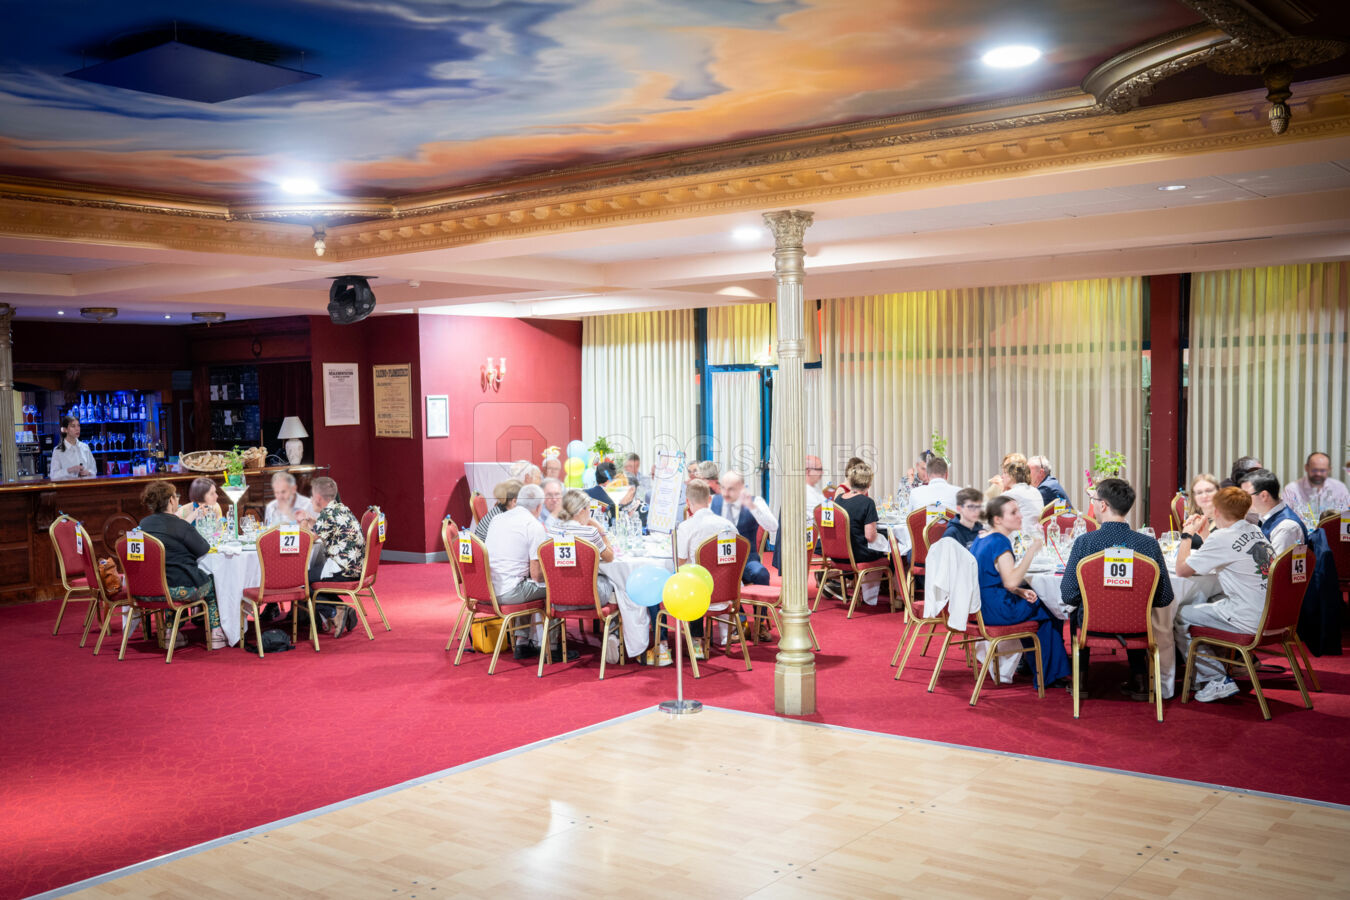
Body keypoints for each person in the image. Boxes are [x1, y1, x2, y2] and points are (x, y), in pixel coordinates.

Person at [1058, 478, 1173, 700]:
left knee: (1077, 609)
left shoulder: (1085, 543)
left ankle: (1080, 681)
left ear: (1102, 505)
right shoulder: (1148, 544)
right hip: (1138, 627)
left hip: (1092, 625)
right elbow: (1164, 597)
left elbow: (1068, 594)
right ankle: (1140, 680)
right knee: (1137, 607)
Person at [1174, 487, 1274, 702]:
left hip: (1247, 619)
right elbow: (1222, 551)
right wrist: (1204, 535)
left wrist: (1186, 535)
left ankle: (1214, 678)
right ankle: (1213, 670)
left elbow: (1182, 570)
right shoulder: (1254, 529)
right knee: (1210, 599)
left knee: (1181, 613)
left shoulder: (1224, 537)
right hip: (1271, 615)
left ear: (1217, 511)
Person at [970, 496, 1071, 687]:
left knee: (1036, 603)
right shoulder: (999, 542)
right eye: (1013, 512)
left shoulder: (982, 537)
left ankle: (1043, 667)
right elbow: (1011, 581)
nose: (1020, 516)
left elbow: (993, 577)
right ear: (998, 519)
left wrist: (1019, 592)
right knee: (1048, 608)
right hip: (996, 610)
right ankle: (1049, 674)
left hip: (980, 607)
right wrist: (1032, 551)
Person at [136, 480, 225, 650]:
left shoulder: (142, 525)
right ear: (170, 500)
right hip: (179, 590)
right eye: (176, 497)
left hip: (147, 590)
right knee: (211, 583)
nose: (177, 500)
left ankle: (172, 634)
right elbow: (203, 548)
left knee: (169, 577)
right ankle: (216, 634)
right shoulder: (180, 525)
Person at [483, 483, 549, 658]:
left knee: (524, 581)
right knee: (556, 588)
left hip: (486, 590)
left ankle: (522, 641)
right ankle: (554, 648)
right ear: (539, 507)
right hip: (509, 593)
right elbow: (536, 575)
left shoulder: (497, 519)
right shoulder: (534, 526)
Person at [304, 476, 366, 637]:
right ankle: (342, 609)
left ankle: (333, 612)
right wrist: (312, 522)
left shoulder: (328, 513)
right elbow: (327, 529)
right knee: (311, 578)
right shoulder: (340, 508)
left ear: (318, 498)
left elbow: (308, 539)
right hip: (356, 567)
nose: (311, 500)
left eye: (312, 496)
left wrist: (301, 525)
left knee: (301, 582)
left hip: (343, 569)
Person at [711, 470, 779, 585]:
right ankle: (735, 603)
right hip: (718, 559)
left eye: (731, 489)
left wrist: (752, 507)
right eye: (723, 488)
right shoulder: (712, 501)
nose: (726, 493)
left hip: (747, 560)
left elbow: (773, 527)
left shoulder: (755, 501)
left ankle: (761, 603)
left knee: (761, 574)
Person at [830, 461, 887, 565]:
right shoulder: (867, 502)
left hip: (837, 553)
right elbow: (870, 537)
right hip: (858, 554)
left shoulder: (838, 499)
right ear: (869, 485)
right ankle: (891, 580)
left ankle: (863, 581)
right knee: (891, 544)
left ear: (851, 482)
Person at [1241, 469, 1304, 554]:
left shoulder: (1285, 527)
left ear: (1264, 496)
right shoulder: (1264, 517)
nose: (1243, 500)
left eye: (1246, 495)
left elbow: (1275, 566)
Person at [1282, 451, 1350, 518]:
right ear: (1306, 468)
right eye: (1314, 470)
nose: (1318, 474)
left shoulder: (1340, 488)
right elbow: (1283, 516)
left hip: (1332, 528)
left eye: (1322, 470)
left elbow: (1347, 515)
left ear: (1329, 469)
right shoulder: (1292, 489)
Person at [996, 453, 1043, 533]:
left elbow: (993, 517)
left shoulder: (1010, 494)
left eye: (1004, 473)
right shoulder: (1035, 491)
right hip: (1037, 536)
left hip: (1020, 539)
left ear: (1012, 475)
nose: (1002, 476)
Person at [49, 415, 95, 481]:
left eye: (78, 425)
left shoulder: (85, 447)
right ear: (65, 430)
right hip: (67, 488)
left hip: (85, 487)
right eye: (73, 426)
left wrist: (89, 472)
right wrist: (69, 470)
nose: (77, 429)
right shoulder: (57, 451)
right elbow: (53, 475)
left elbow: (93, 469)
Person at [1184, 473, 1220, 538]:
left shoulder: (1227, 520)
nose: (1204, 496)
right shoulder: (1194, 518)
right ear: (1194, 497)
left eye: (1209, 491)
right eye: (1199, 492)